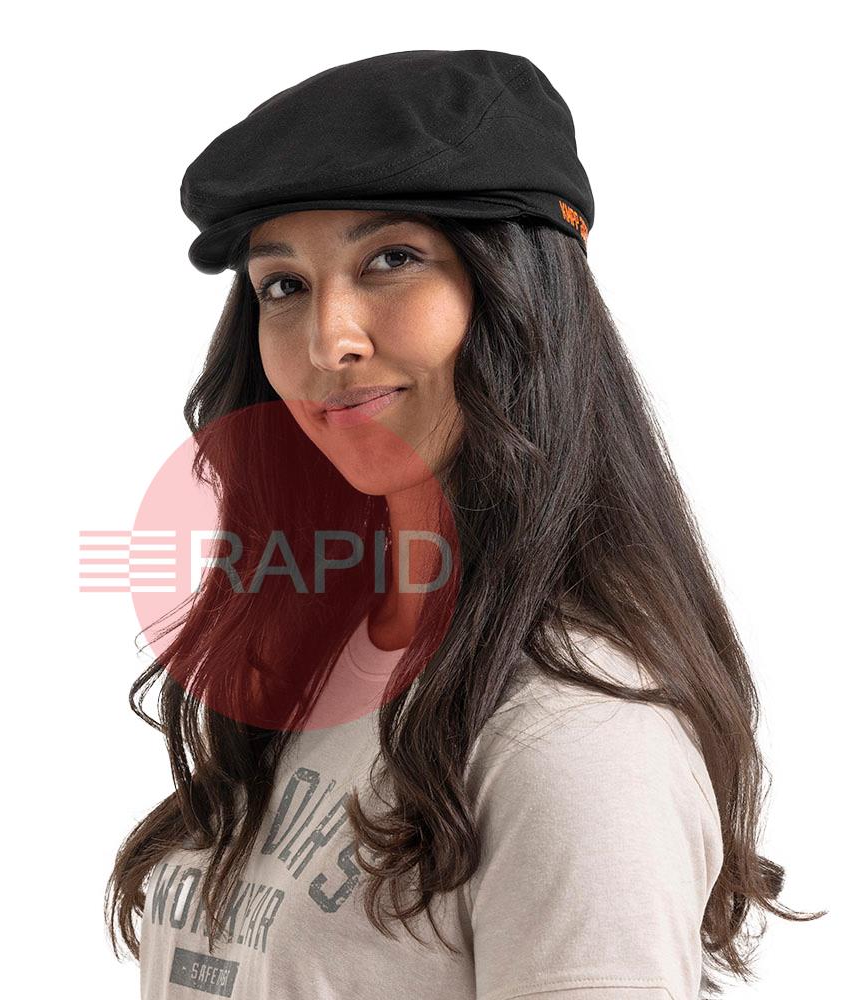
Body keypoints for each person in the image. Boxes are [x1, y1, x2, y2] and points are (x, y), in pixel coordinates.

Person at [105, 49, 824, 1000]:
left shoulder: (577, 732)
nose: (328, 339)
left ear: (520, 295)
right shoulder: (322, 650)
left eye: (391, 260)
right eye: (283, 285)